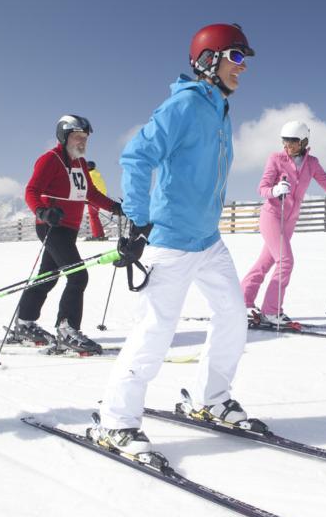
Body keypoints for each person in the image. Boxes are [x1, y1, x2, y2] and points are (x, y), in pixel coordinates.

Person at [97, 23, 255, 455]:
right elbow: (136, 156)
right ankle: (116, 421)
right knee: (155, 330)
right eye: (237, 57)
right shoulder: (183, 106)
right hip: (170, 240)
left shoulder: (219, 107)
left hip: (208, 240)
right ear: (209, 61)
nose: (243, 68)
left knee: (232, 316)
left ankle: (211, 399)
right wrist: (138, 219)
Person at [11, 114, 123, 354]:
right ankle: (67, 331)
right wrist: (42, 211)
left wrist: (114, 207)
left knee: (48, 275)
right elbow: (31, 190)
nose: (82, 142)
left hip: (69, 228)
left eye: (85, 138)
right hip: (52, 226)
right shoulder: (49, 160)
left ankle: (24, 323)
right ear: (64, 137)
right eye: (77, 137)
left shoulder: (81, 163)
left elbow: (89, 193)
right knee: (78, 276)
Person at [240, 121, 326, 325]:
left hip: (289, 221)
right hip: (272, 215)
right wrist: (274, 190)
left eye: (292, 142)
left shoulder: (312, 164)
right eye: (285, 141)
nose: (287, 146)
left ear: (303, 141)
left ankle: (242, 301)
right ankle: (271, 311)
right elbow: (262, 187)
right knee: (286, 261)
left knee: (266, 262)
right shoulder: (276, 159)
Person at [85, 160, 108, 241]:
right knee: (95, 216)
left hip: (93, 198)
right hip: (100, 198)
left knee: (93, 216)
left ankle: (97, 235)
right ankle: (100, 234)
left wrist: (85, 198)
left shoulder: (90, 175)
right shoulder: (97, 174)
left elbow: (87, 187)